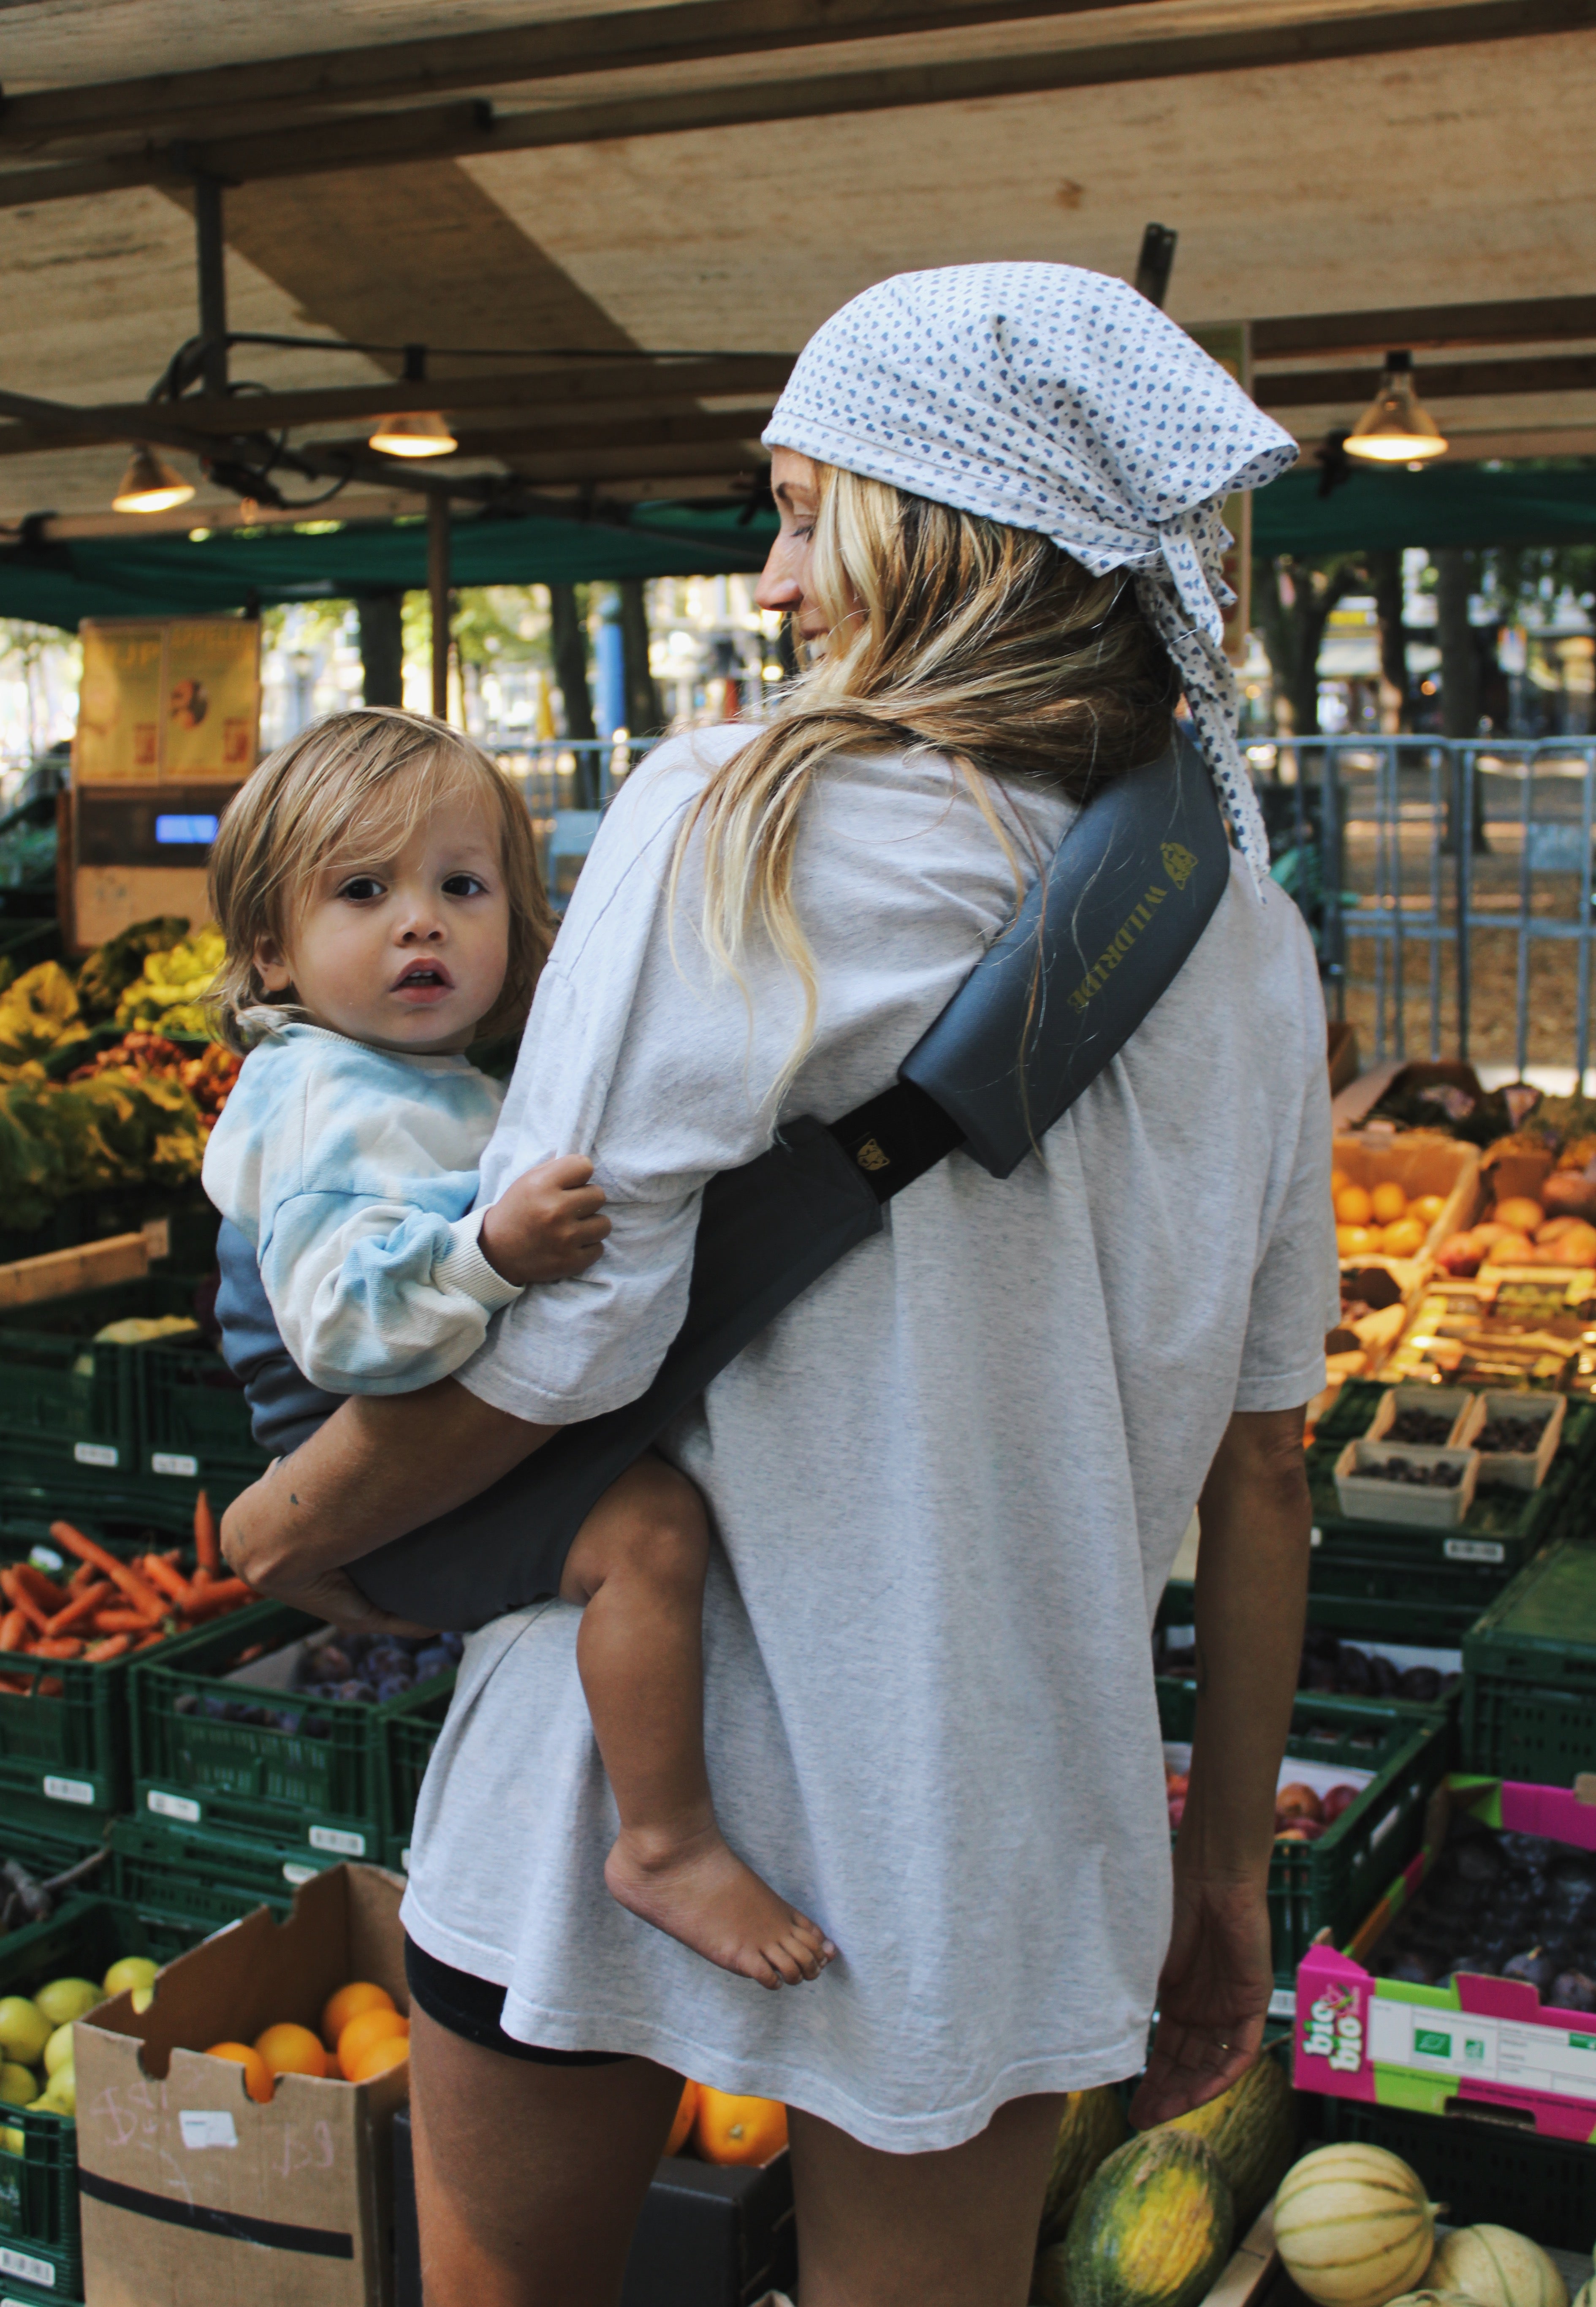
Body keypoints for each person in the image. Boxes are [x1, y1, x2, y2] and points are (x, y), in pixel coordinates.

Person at [221, 263, 1336, 2307]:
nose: (777, 574)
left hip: (608, 1790)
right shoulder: (1246, 940)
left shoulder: (736, 816)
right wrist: (1228, 1866)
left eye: (811, 510)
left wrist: (295, 1525)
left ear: (949, 525)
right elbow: (1265, 1468)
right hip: (987, 1833)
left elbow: (570, 1344)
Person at [202, 709, 835, 1989]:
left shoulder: (405, 1077)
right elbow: (342, 1328)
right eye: (363, 892)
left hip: (415, 1447)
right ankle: (663, 1843)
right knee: (647, 1533)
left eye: (463, 886)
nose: (421, 923)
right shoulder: (326, 1099)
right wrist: (489, 1255)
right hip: (375, 1475)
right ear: (269, 950)